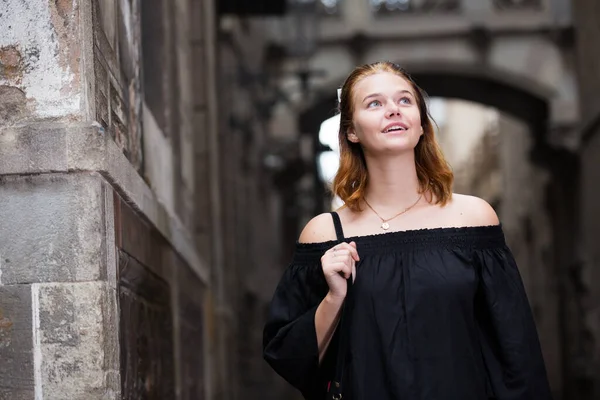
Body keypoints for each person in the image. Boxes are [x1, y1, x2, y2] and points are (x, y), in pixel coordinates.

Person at [262, 61, 552, 400]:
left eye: (404, 101)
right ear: (351, 131)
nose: (393, 111)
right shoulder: (325, 233)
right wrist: (334, 298)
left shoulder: (472, 217)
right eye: (374, 103)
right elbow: (289, 357)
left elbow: (516, 354)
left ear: (420, 125)